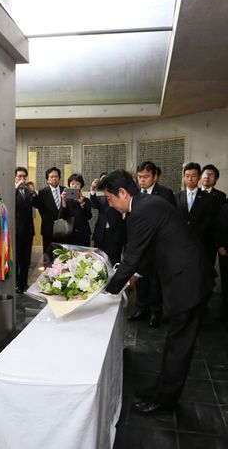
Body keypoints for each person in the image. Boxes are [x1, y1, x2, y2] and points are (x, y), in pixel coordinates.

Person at [98, 169, 210, 415]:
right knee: (173, 342)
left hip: (187, 281)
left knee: (179, 346)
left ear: (123, 193)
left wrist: (106, 292)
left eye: (110, 198)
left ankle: (165, 400)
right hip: (185, 276)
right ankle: (161, 388)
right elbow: (146, 252)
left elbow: (133, 256)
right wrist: (134, 276)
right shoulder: (146, 204)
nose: (110, 204)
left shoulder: (143, 210)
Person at [128, 161, 175, 328]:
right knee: (141, 279)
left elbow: (170, 221)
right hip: (141, 246)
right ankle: (141, 308)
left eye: (146, 177)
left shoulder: (165, 193)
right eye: (139, 177)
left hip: (158, 246)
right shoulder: (134, 194)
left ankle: (156, 312)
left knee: (155, 280)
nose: (142, 180)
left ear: (155, 177)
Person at [175, 162, 214, 255]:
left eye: (193, 176)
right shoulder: (177, 197)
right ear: (184, 177)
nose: (190, 179)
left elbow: (209, 220)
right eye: (187, 176)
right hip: (181, 242)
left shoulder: (207, 197)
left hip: (201, 242)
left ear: (199, 177)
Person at [90, 173, 125, 265]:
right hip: (101, 234)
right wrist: (92, 189)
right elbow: (94, 204)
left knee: (114, 260)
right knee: (99, 260)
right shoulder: (100, 198)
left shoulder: (119, 197)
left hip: (115, 234)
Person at [35, 167, 65, 263]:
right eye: (51, 177)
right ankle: (47, 275)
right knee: (48, 256)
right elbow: (40, 208)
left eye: (56, 176)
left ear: (59, 178)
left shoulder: (65, 190)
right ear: (47, 179)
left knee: (63, 256)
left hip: (63, 228)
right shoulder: (42, 192)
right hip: (48, 228)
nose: (54, 179)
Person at [14, 167, 36, 294]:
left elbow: (37, 203)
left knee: (26, 260)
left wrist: (33, 192)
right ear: (15, 177)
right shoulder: (12, 191)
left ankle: (24, 283)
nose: (22, 179)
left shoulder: (28, 191)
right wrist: (16, 188)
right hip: (16, 231)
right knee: (16, 259)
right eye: (19, 176)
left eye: (24, 177)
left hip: (28, 230)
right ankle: (16, 284)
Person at [60, 173, 92, 246]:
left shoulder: (86, 200)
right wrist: (63, 202)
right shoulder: (66, 200)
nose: (75, 186)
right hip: (69, 233)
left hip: (83, 234)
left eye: (77, 184)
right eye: (72, 183)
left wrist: (82, 204)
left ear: (81, 186)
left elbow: (89, 216)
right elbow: (62, 217)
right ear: (69, 185)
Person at [215, 202, 228, 322]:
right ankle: (224, 314)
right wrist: (219, 245)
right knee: (226, 284)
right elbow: (218, 228)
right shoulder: (224, 207)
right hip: (225, 252)